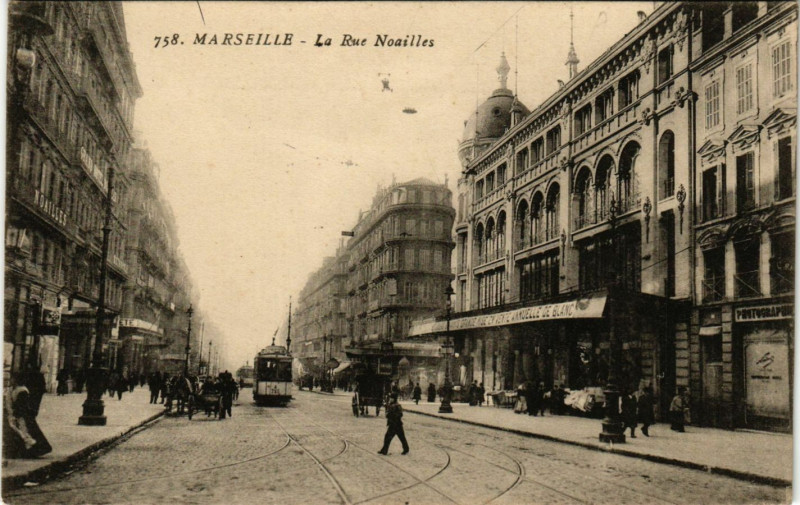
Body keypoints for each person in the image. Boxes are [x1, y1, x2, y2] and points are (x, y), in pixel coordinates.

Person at [3, 372, 52, 459]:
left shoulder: (22, 390)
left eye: (12, 379)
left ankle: (31, 451)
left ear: (17, 380)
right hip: (15, 414)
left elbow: (22, 405)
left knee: (24, 432)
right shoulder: (12, 389)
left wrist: (16, 413)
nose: (10, 380)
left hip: (22, 415)